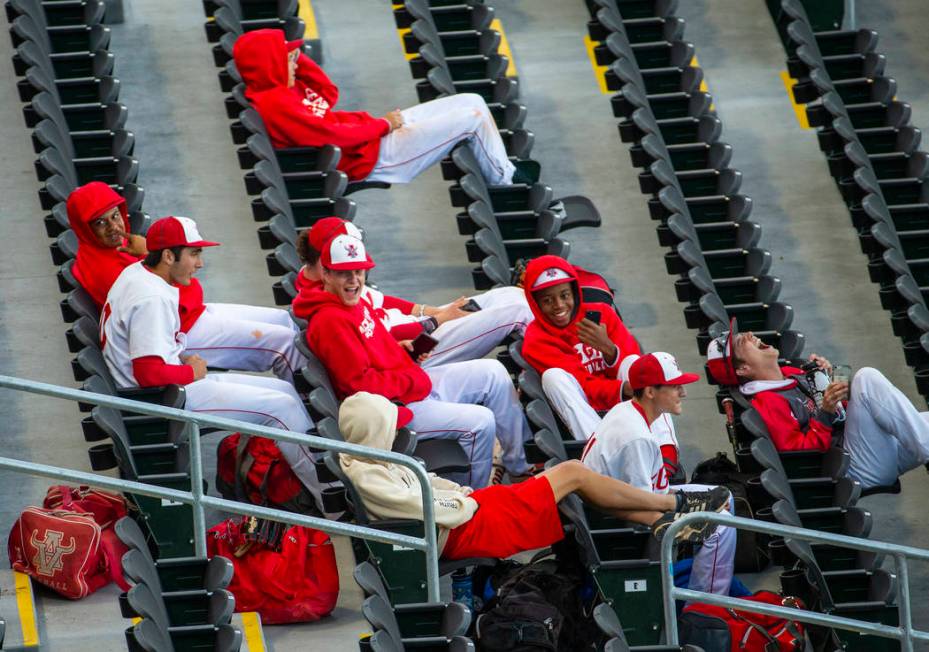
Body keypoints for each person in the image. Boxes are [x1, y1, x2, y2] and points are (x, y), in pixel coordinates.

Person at [99, 216, 330, 513]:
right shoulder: (150, 299)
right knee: (281, 409)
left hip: (163, 389)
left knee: (284, 391)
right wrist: (190, 371)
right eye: (194, 254)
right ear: (168, 256)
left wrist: (181, 360)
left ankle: (318, 483)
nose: (200, 264)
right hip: (158, 400)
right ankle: (333, 504)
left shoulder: (140, 272)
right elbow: (148, 373)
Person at [338, 391, 732, 559]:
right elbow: (432, 507)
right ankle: (673, 505)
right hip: (466, 528)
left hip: (471, 512)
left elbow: (429, 484)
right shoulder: (370, 475)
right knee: (574, 474)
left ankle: (663, 521)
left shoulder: (376, 460)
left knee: (575, 480)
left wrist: (459, 492)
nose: (401, 433)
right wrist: (462, 499)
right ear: (375, 433)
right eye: (391, 427)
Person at [293, 232, 533, 487]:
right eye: (344, 273)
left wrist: (402, 351)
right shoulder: (330, 321)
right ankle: (472, 503)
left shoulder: (350, 302)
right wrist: (410, 379)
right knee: (480, 423)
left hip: (407, 385)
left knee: (492, 372)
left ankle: (520, 467)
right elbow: (359, 386)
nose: (354, 280)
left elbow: (376, 345)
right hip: (393, 409)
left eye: (359, 272)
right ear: (326, 274)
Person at [66, 183, 306, 385]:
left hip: (189, 314)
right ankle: (312, 410)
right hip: (180, 330)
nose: (114, 227)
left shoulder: (112, 250)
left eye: (115, 215)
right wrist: (151, 252)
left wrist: (149, 252)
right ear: (85, 229)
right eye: (100, 223)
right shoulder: (102, 267)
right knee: (284, 343)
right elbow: (175, 298)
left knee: (284, 320)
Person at [232, 29, 526, 187]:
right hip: (373, 157)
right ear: (269, 63)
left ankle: (506, 170)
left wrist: (297, 60)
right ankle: (508, 184)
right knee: (472, 118)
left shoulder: (279, 87)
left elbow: (327, 94)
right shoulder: (276, 104)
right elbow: (332, 136)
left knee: (472, 100)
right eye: (287, 57)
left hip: (369, 137)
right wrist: (384, 124)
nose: (294, 62)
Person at [707, 318, 929, 491]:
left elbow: (843, 407)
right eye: (739, 342)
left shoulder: (792, 373)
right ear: (742, 369)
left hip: (868, 449)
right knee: (867, 377)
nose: (747, 334)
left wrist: (832, 377)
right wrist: (825, 413)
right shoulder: (766, 403)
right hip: (850, 468)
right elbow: (801, 458)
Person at [582, 353, 736, 596]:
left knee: (725, 496)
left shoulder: (630, 410)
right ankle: (704, 610)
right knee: (722, 528)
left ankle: (708, 584)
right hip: (620, 526)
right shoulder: (636, 437)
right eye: (675, 387)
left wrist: (683, 501)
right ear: (650, 392)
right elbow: (639, 507)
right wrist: (681, 511)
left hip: (634, 502)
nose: (683, 393)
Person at [293, 216, 533, 367]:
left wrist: (431, 311)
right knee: (516, 311)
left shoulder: (336, 278)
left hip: (420, 325)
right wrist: (436, 320)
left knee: (509, 294)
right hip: (416, 347)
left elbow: (383, 300)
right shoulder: (330, 295)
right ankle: (554, 364)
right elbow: (380, 338)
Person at [521, 255, 642, 441]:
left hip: (622, 401)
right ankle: (598, 451)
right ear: (536, 304)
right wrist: (624, 388)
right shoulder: (536, 339)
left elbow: (635, 364)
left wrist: (610, 351)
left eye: (564, 295)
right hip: (585, 412)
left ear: (574, 293)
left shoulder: (603, 313)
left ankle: (663, 451)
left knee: (636, 364)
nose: (559, 306)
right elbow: (585, 387)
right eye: (547, 300)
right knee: (553, 377)